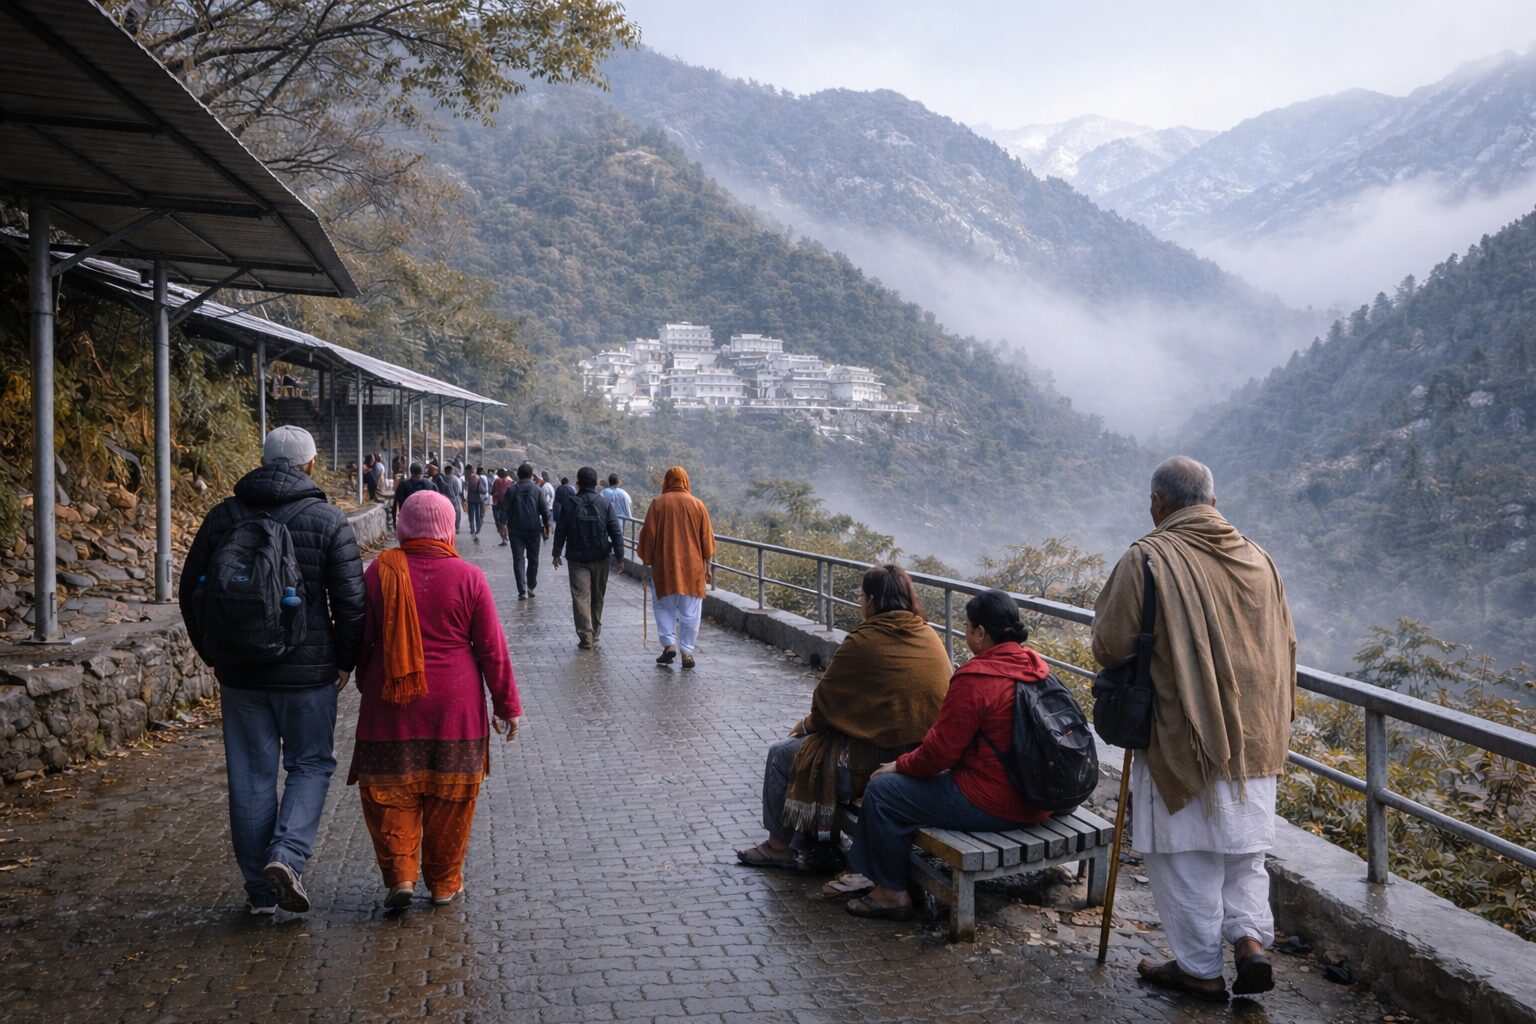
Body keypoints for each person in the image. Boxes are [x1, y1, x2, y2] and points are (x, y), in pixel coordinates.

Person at [1092, 456, 1295, 1002]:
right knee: (1243, 854)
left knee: (1185, 857)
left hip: (1184, 736)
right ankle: (1249, 942)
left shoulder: (1149, 557)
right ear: (1212, 500)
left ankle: (1200, 970)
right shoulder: (1259, 558)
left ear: (1158, 504)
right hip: (1257, 737)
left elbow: (1110, 646)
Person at [178, 425, 365, 915]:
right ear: (310, 465)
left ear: (262, 462)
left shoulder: (223, 516)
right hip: (308, 673)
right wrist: (345, 660)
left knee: (250, 774)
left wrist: (213, 653)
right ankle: (287, 855)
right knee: (310, 763)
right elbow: (350, 602)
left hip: (240, 673)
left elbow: (190, 590)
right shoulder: (328, 520)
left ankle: (260, 894)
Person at [348, 490, 523, 909]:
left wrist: (358, 675)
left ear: (403, 525)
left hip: (390, 703)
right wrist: (507, 706)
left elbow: (360, 637)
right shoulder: (469, 577)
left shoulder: (379, 572)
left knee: (390, 793)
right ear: (448, 526)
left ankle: (402, 876)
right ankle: (444, 883)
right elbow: (491, 649)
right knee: (451, 799)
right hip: (455, 707)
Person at [843, 589, 1054, 922]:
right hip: (1039, 798)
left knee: (883, 792)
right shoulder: (1035, 666)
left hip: (997, 802)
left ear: (982, 633)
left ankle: (891, 894)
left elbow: (938, 755)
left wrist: (898, 765)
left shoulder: (976, 678)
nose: (966, 633)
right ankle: (897, 875)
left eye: (968, 627)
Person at [737, 564, 951, 874]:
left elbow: (826, 707)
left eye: (862, 597)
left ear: (874, 601)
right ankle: (818, 839)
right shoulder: (929, 636)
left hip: (870, 768)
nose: (860, 603)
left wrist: (806, 726)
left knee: (782, 755)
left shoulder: (863, 640)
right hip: (921, 759)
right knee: (814, 748)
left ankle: (777, 847)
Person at [636, 466, 715, 669]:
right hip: (692, 570)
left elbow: (648, 536)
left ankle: (669, 645)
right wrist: (707, 564)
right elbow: (707, 540)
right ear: (686, 482)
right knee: (691, 612)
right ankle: (687, 651)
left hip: (664, 568)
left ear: (667, 482)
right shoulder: (698, 505)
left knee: (663, 607)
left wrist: (645, 559)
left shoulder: (658, 504)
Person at [551, 466, 625, 650]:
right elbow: (615, 531)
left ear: (578, 482)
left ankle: (586, 635)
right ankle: (595, 631)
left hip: (577, 559)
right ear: (595, 483)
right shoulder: (604, 504)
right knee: (598, 596)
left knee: (580, 597)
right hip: (601, 557)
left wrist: (556, 552)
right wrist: (620, 556)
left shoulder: (569, 503)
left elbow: (561, 530)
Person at [500, 462, 550, 600]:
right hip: (534, 530)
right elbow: (544, 510)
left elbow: (504, 508)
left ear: (518, 475)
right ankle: (531, 586)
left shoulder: (512, 490)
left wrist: (502, 524)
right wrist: (547, 526)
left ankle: (522, 589)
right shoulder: (537, 490)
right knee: (533, 559)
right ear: (531, 475)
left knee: (518, 559)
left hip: (515, 530)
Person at [464, 465, 488, 542]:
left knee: (471, 514)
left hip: (470, 498)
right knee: (477, 514)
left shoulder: (468, 478)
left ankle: (472, 529)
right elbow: (483, 490)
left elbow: (465, 488)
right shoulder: (479, 478)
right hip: (477, 499)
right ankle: (478, 528)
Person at [490, 468, 513, 547]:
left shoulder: (496, 481)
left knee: (499, 523)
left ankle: (504, 539)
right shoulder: (510, 482)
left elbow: (492, 492)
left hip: (498, 505)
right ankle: (507, 538)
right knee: (505, 523)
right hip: (508, 506)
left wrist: (497, 494)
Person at [440, 464, 464, 534]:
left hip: (443, 499)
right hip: (453, 499)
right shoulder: (455, 479)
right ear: (452, 471)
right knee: (457, 512)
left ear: (445, 471)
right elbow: (457, 491)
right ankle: (456, 528)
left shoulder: (442, 478)